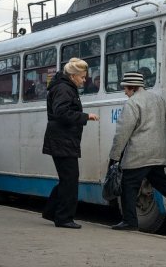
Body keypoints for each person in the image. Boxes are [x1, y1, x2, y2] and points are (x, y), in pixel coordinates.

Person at [108, 71, 166, 231]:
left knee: (128, 185)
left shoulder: (132, 104)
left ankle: (130, 221)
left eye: (125, 89)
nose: (124, 92)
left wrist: (114, 157)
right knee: (161, 183)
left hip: (139, 154)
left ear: (132, 87)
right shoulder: (157, 99)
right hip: (157, 153)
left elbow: (122, 133)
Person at [42, 58, 99, 229]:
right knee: (70, 179)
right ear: (73, 76)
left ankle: (52, 212)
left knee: (67, 178)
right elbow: (61, 112)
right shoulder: (64, 89)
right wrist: (85, 116)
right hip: (62, 139)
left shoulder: (64, 87)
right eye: (82, 77)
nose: (84, 80)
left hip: (63, 139)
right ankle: (63, 218)